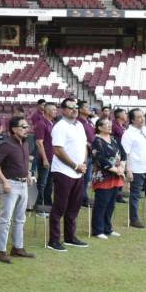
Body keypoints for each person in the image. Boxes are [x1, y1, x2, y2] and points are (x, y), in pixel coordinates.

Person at [0, 117, 36, 263]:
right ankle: (1, 251)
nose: (26, 128)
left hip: (23, 185)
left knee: (20, 218)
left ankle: (18, 247)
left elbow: (25, 161)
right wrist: (4, 181)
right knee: (6, 219)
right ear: (14, 129)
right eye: (23, 126)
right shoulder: (7, 145)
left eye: (27, 126)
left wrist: (27, 173)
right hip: (11, 184)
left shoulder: (25, 143)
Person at [47, 98, 89, 252]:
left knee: (74, 206)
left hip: (78, 172)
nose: (75, 110)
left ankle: (70, 237)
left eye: (76, 107)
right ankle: (54, 240)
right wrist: (75, 165)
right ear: (63, 110)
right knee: (60, 207)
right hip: (64, 171)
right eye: (71, 107)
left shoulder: (79, 125)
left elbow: (84, 145)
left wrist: (83, 164)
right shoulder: (60, 127)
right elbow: (58, 150)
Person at [90, 118, 125, 239]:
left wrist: (121, 167)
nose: (110, 126)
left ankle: (107, 228)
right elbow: (100, 159)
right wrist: (117, 170)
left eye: (110, 124)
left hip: (116, 175)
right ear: (99, 127)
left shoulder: (114, 139)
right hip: (103, 176)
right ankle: (98, 229)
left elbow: (122, 154)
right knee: (101, 203)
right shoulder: (96, 140)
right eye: (106, 124)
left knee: (111, 204)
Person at [33, 102, 56, 211]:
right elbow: (39, 142)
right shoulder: (41, 124)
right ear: (47, 111)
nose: (56, 112)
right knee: (42, 182)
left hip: (52, 158)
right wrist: (45, 159)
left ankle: (48, 204)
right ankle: (39, 205)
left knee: (49, 183)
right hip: (45, 158)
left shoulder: (51, 123)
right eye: (53, 110)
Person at [77, 100, 96, 207]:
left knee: (87, 178)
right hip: (84, 153)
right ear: (80, 110)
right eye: (86, 107)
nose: (89, 108)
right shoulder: (78, 122)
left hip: (91, 153)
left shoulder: (89, 122)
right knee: (82, 177)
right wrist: (88, 145)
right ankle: (83, 199)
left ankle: (83, 198)